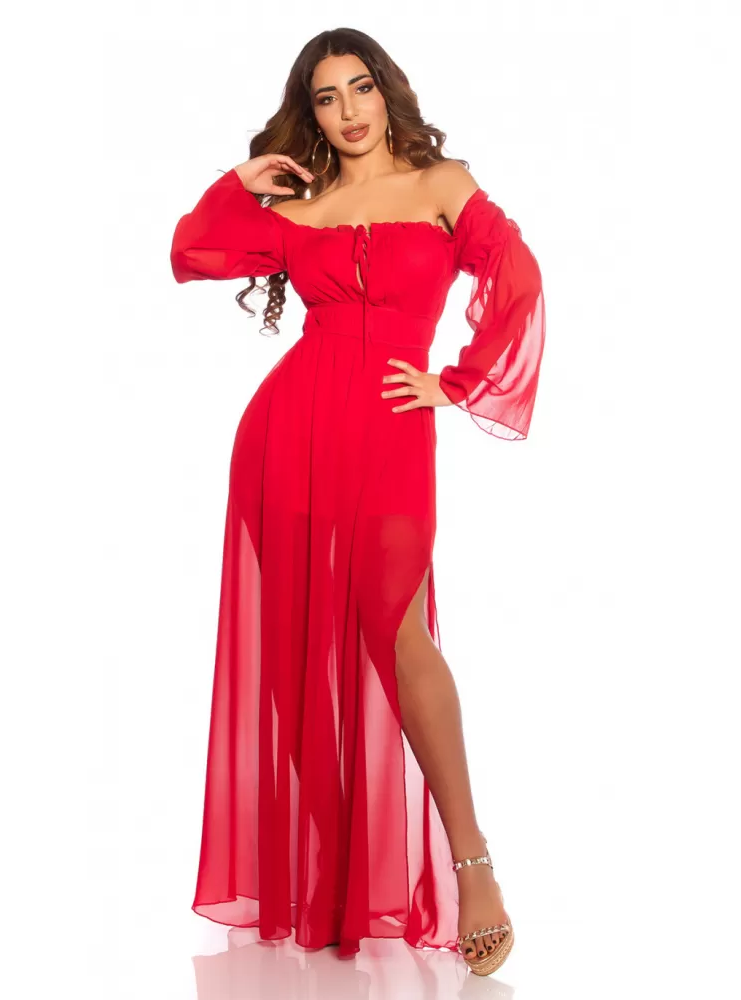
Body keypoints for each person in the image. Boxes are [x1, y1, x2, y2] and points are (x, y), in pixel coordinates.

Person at [170, 27, 545, 978]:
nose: (347, 111)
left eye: (360, 88)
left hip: (389, 436)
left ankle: (473, 866)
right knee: (299, 648)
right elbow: (192, 250)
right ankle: (337, 872)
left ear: (387, 93)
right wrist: (242, 179)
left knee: (398, 635)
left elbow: (518, 276)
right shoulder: (304, 207)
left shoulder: (440, 183)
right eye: (327, 96)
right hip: (285, 438)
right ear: (311, 111)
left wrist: (455, 382)